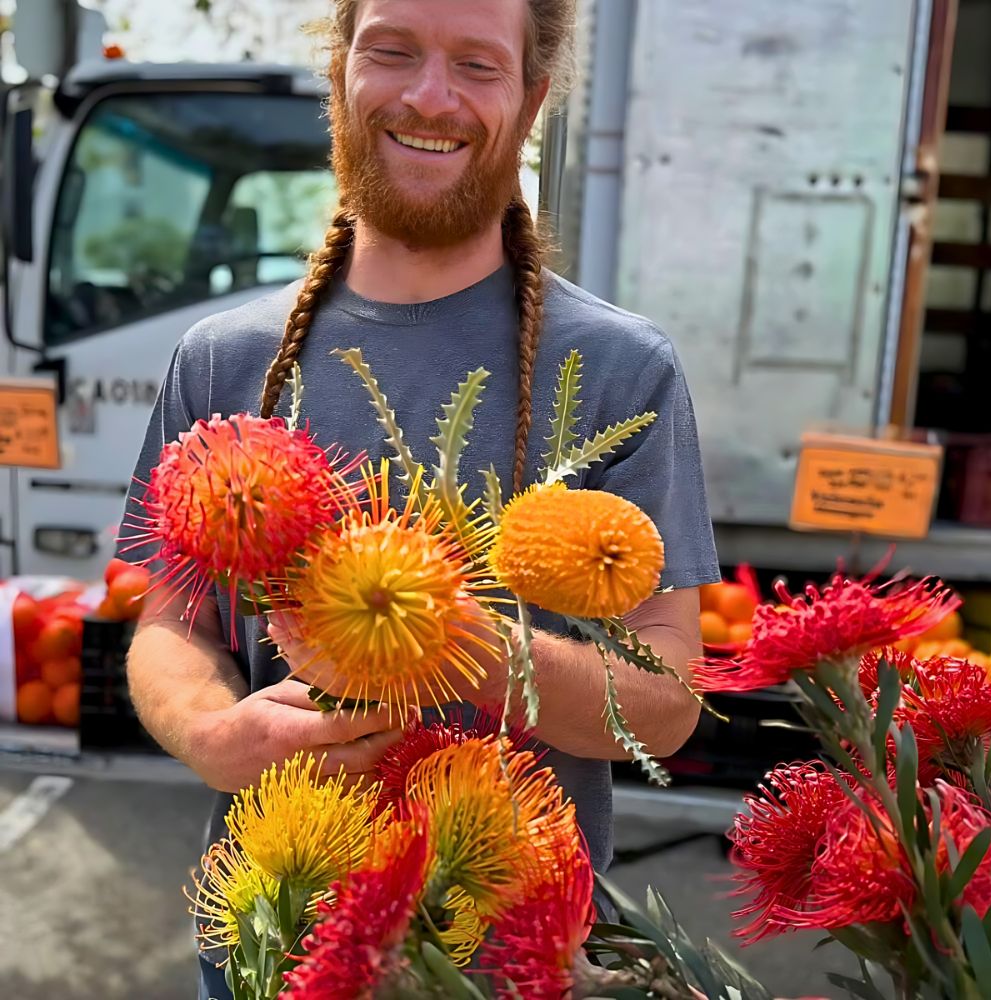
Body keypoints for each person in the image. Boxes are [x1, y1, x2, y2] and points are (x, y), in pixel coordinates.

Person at [119, 1, 720, 996]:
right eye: (391, 51)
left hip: (518, 966)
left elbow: (665, 708)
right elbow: (167, 618)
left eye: (475, 65)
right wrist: (210, 733)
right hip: (274, 950)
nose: (428, 95)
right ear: (340, 76)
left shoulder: (622, 372)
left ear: (528, 102)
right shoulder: (223, 359)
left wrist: (452, 640)